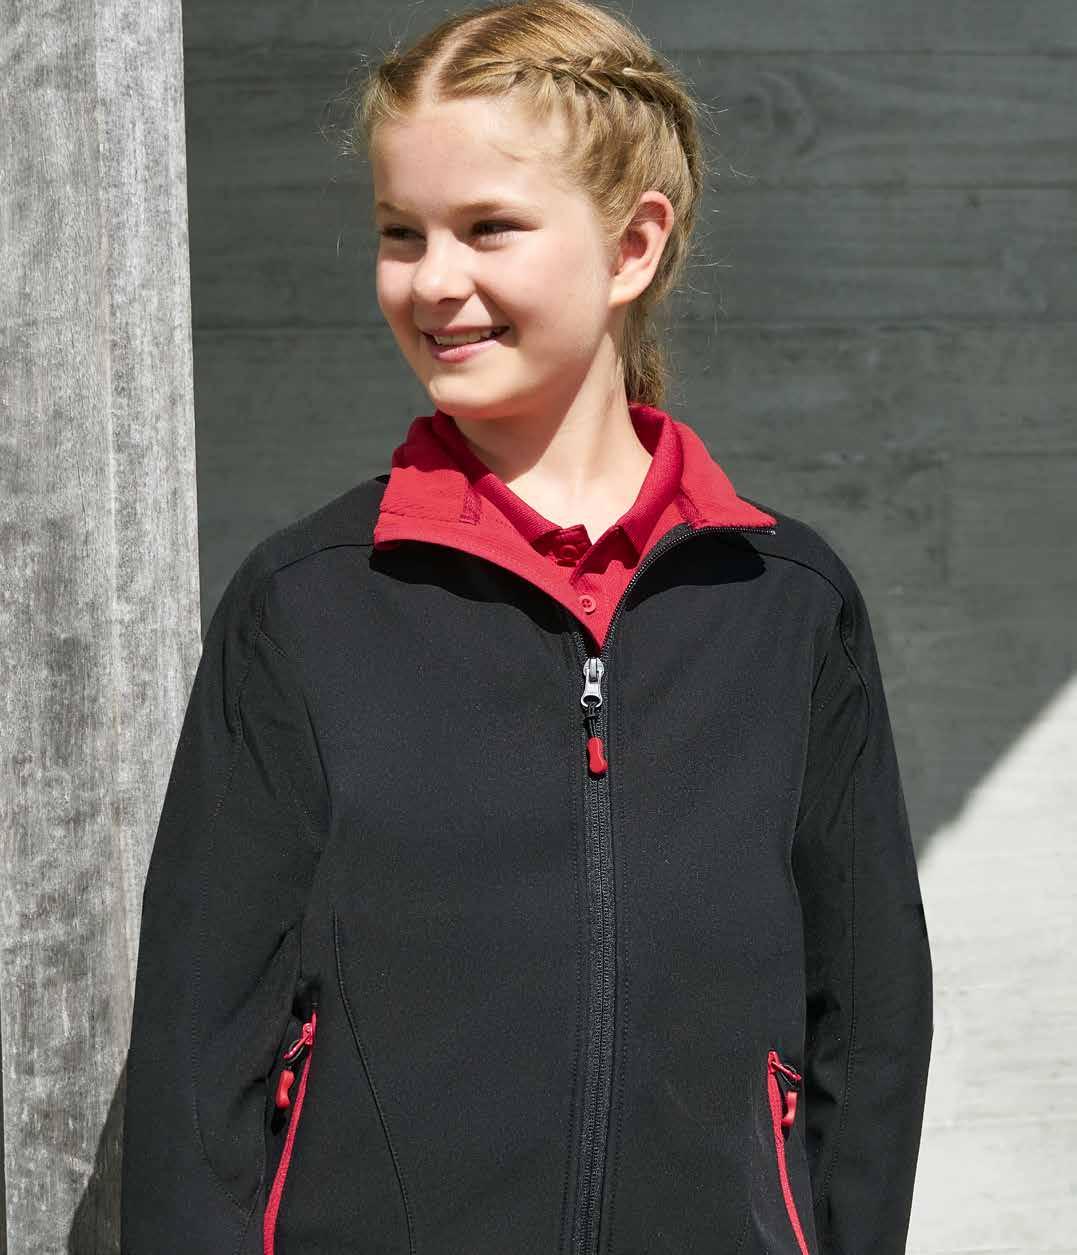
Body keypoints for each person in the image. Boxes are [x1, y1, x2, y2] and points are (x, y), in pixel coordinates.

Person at [120, 1, 933, 1251]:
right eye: (401, 233)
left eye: (487, 227)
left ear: (632, 247)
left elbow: (869, 1028)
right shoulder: (308, 604)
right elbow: (198, 1045)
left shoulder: (785, 604)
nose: (434, 280)